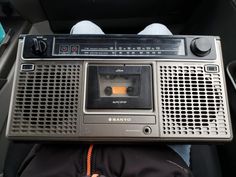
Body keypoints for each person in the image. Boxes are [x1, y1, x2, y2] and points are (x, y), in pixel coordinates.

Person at [18, 21, 193, 177]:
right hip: (158, 151)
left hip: (60, 142)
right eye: (110, 89)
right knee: (158, 30)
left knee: (83, 27)